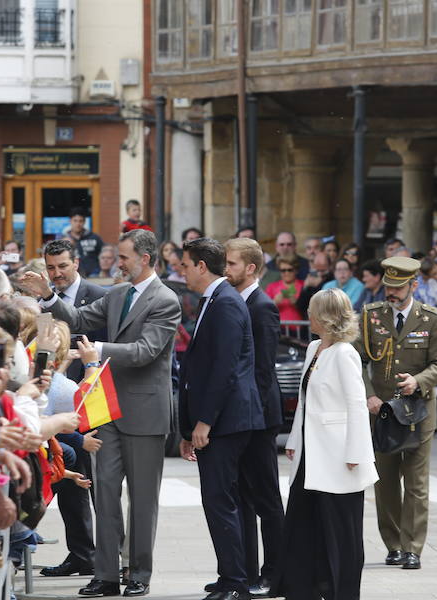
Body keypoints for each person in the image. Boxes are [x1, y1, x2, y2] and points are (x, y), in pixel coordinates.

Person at [18, 228, 181, 597]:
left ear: (144, 258)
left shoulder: (166, 299)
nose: (116, 264)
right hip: (106, 410)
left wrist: (99, 351)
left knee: (141, 500)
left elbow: (145, 351)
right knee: (105, 494)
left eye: (123, 258)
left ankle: (138, 573)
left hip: (144, 414)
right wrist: (47, 294)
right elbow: (75, 319)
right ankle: (106, 574)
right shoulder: (118, 293)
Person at [277, 288, 378, 600]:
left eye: (312, 311)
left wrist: (356, 453)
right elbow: (306, 402)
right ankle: (305, 588)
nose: (307, 315)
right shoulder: (313, 348)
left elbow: (357, 405)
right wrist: (294, 439)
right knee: (303, 524)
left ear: (326, 317)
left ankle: (341, 592)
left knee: (340, 532)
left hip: (338, 456)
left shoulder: (345, 353)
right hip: (310, 454)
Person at [177, 237, 263, 600]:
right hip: (222, 420)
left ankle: (235, 582)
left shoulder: (225, 302)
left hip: (227, 423)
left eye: (184, 265)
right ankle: (232, 574)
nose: (181, 271)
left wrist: (203, 423)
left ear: (200, 266)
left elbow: (225, 369)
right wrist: (189, 426)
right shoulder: (213, 300)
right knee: (223, 500)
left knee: (220, 500)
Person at [354, 257, 437, 571]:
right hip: (381, 412)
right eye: (388, 286)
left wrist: (418, 381)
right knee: (384, 483)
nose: (391, 293)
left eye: (398, 287)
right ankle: (393, 544)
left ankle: (412, 548)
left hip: (418, 413)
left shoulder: (431, 319)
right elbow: (353, 358)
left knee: (416, 483)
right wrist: (367, 392)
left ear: (414, 285)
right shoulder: (371, 316)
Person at [38, 238, 106, 578]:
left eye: (62, 266)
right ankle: (81, 555)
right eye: (51, 268)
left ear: (76, 262)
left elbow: (105, 348)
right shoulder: (42, 300)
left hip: (91, 406)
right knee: (68, 487)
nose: (57, 273)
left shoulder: (98, 296)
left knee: (98, 489)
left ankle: (110, 560)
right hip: (56, 409)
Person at [223, 238, 283, 598]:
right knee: (242, 496)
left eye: (231, 264)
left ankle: (276, 572)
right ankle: (243, 571)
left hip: (259, 419)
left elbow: (263, 371)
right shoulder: (235, 302)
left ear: (250, 268)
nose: (225, 269)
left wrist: (252, 419)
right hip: (242, 419)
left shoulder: (263, 306)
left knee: (266, 499)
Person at [65, 208, 105, 277]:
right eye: (75, 221)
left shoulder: (94, 238)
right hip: (73, 276)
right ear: (70, 221)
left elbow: (104, 254)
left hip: (94, 275)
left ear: (84, 222)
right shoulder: (64, 239)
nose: (78, 224)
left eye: (81, 221)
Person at [266, 256, 305, 324]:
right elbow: (264, 310)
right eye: (283, 270)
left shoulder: (303, 286)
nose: (286, 273)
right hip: (278, 328)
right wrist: (274, 302)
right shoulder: (271, 287)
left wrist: (298, 303)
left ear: (296, 270)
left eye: (290, 270)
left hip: (300, 329)